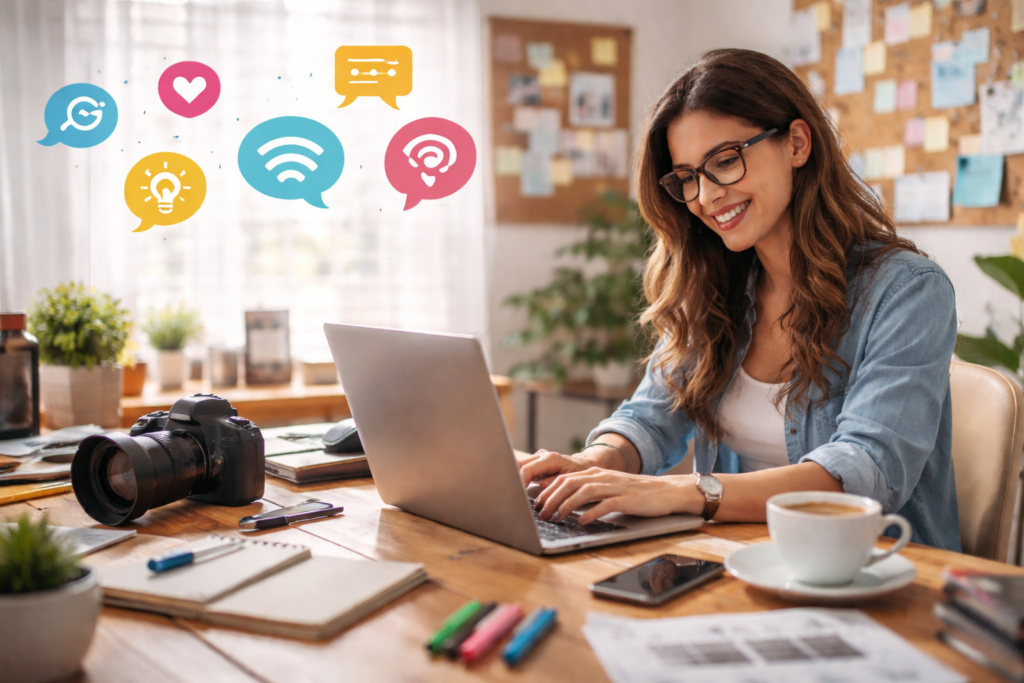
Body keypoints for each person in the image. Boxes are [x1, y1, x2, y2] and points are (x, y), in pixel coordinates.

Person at [519, 48, 960, 551]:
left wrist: (683, 492)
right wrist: (589, 467)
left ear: (796, 143)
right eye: (687, 177)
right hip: (740, 566)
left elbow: (864, 472)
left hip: (876, 576)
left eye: (725, 161)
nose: (706, 197)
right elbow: (649, 419)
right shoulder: (713, 283)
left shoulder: (907, 291)